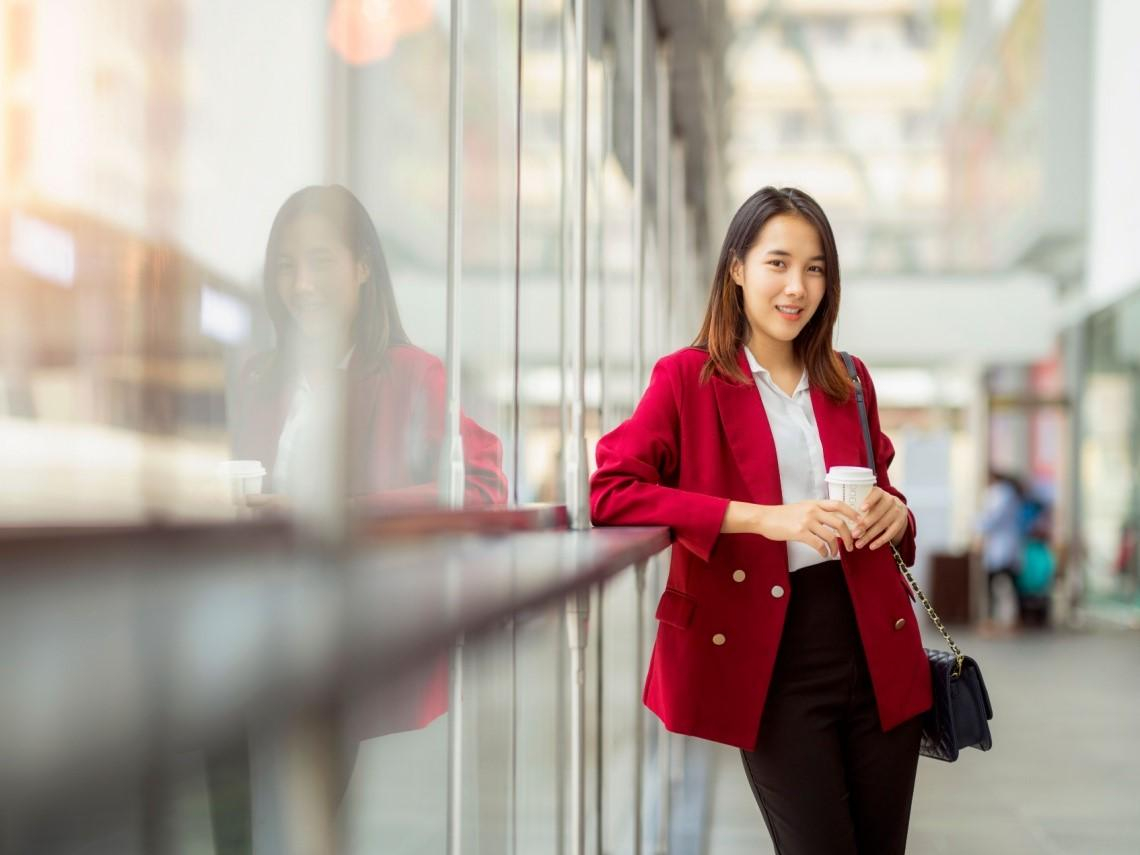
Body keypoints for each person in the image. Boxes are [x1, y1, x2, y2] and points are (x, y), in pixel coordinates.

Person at [590, 186, 931, 855]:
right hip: (771, 653)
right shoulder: (688, 379)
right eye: (778, 263)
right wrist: (764, 519)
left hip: (876, 642)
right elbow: (612, 491)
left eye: (815, 268)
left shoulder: (849, 379)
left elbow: (887, 501)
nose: (797, 287)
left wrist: (898, 511)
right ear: (737, 268)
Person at [976, 469, 1026, 628]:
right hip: (1004, 546)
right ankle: (1012, 619)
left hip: (1003, 547)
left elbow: (992, 518)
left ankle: (995, 620)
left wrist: (977, 526)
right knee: (1011, 583)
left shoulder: (1001, 493)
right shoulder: (1007, 493)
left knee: (995, 583)